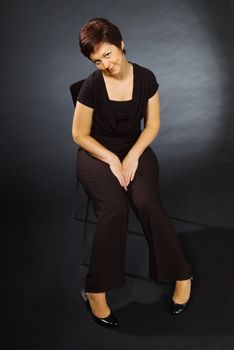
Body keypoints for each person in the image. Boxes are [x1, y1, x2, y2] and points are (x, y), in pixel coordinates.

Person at [72, 17, 193, 328]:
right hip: (97, 154)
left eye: (108, 54)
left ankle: (182, 274)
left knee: (146, 202)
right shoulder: (91, 86)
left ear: (122, 45)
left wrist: (134, 155)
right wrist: (112, 158)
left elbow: (152, 125)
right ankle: (95, 290)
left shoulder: (147, 79)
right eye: (97, 60)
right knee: (113, 210)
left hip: (136, 149)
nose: (105, 64)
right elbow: (80, 135)